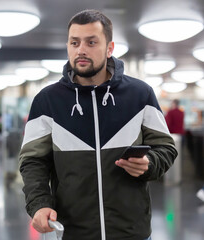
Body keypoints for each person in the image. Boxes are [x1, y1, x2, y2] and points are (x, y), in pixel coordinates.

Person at [19, 9, 178, 240]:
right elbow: (33, 161)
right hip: (73, 232)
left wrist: (149, 163)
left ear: (110, 48)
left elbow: (166, 147)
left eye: (91, 42)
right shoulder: (47, 101)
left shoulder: (140, 94)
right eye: (74, 42)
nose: (81, 49)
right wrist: (39, 204)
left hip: (131, 232)